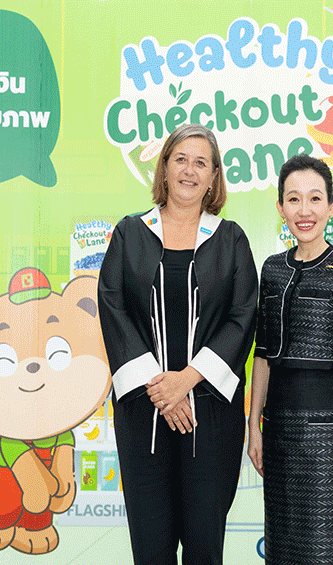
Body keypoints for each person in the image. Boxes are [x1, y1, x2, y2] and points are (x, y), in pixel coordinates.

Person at [98, 123, 258, 565]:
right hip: (143, 413)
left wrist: (185, 380)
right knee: (151, 548)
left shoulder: (230, 239)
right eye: (181, 159)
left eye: (201, 163)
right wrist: (161, 388)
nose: (190, 170)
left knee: (204, 546)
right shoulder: (130, 233)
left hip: (211, 415)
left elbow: (243, 315)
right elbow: (112, 306)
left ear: (213, 178)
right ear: (164, 168)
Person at [247, 154, 333, 564]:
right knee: (281, 551)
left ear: (331, 206)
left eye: (315, 198)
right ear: (280, 208)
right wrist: (254, 426)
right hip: (277, 431)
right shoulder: (272, 269)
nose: (305, 210)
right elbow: (262, 354)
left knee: (323, 552)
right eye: (294, 199)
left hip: (328, 436)